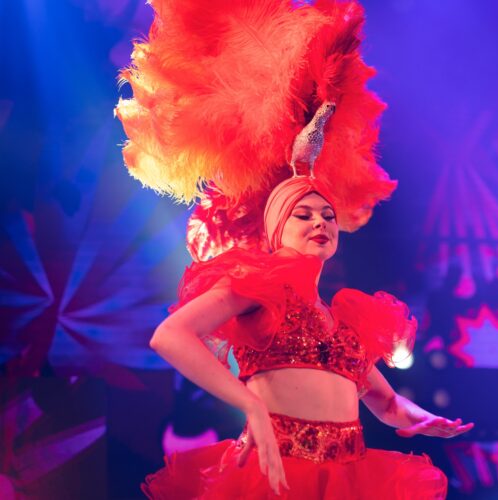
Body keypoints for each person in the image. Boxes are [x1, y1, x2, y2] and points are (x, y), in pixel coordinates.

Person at [115, 1, 474, 497]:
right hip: (279, 472)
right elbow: (170, 336)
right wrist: (250, 405)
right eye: (302, 215)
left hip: (347, 478)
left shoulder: (344, 322)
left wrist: (420, 418)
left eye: (326, 215)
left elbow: (387, 405)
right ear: (274, 230)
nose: (320, 221)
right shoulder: (258, 286)